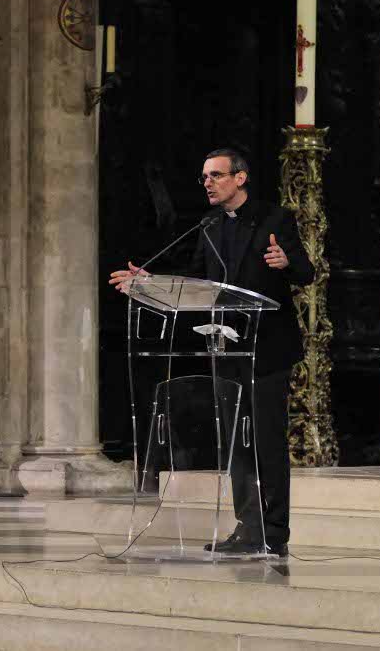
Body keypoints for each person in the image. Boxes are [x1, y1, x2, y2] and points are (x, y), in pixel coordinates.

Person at [108, 148, 314, 557]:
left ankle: (275, 532)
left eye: (215, 175)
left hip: (267, 350)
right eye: (204, 177)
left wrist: (285, 261)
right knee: (237, 443)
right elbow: (198, 283)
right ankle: (247, 528)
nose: (207, 183)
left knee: (267, 443)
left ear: (240, 178)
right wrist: (152, 282)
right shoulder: (208, 225)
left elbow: (306, 273)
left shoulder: (275, 219)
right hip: (225, 349)